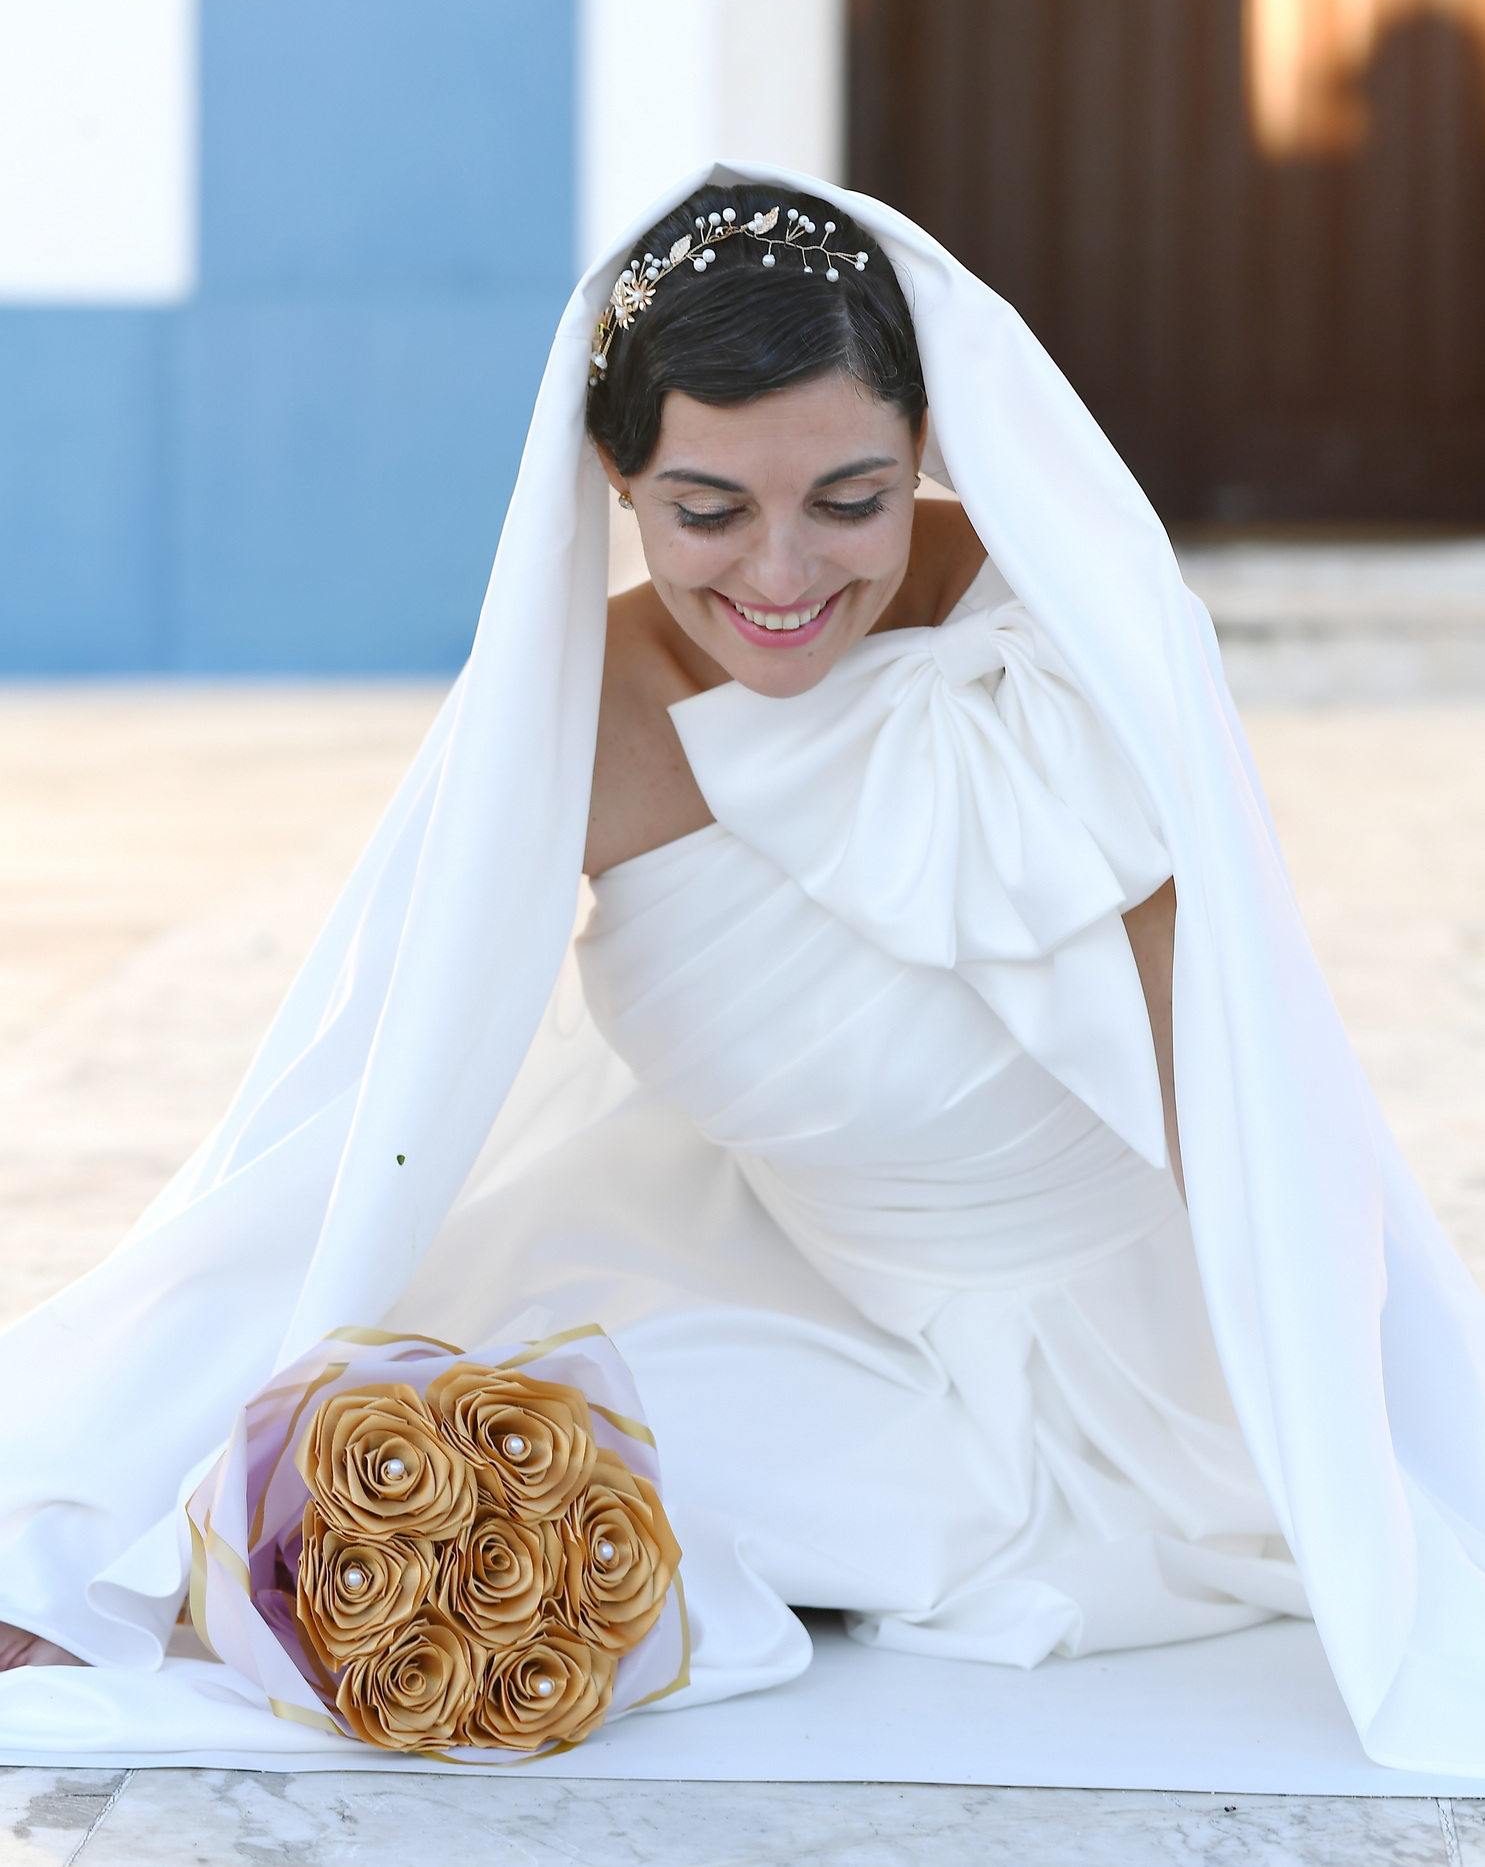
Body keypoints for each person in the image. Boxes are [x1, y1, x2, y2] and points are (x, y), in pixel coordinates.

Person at [1, 168, 1484, 1780]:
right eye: (706, 511)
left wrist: (1371, 1467)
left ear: (927, 449)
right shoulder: (578, 716)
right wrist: (96, 1519)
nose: (780, 578)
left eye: (850, 500)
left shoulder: (1069, 655)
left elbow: (1253, 1086)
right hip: (814, 1313)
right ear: (613, 480)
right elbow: (353, 1104)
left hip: (1162, 1379)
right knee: (398, 1486)